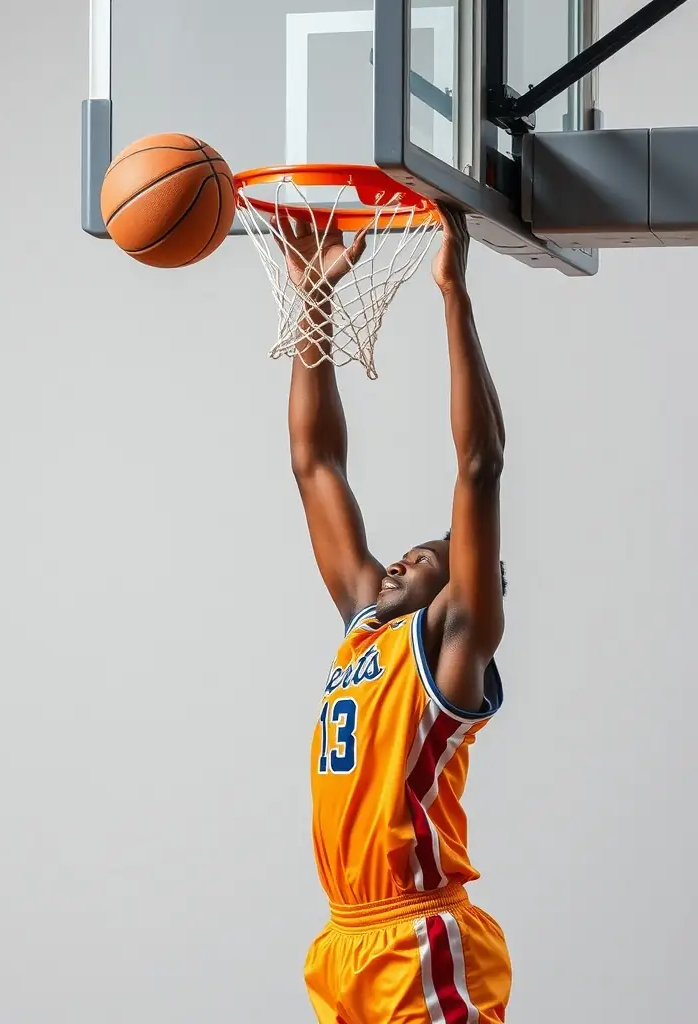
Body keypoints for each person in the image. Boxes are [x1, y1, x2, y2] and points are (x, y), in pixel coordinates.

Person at [277, 206, 512, 1023]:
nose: (404, 560)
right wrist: (314, 299)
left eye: (426, 558)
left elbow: (479, 467)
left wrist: (453, 293)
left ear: (457, 590)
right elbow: (315, 463)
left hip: (417, 938)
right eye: (404, 553)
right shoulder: (363, 627)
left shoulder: (451, 646)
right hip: (342, 943)